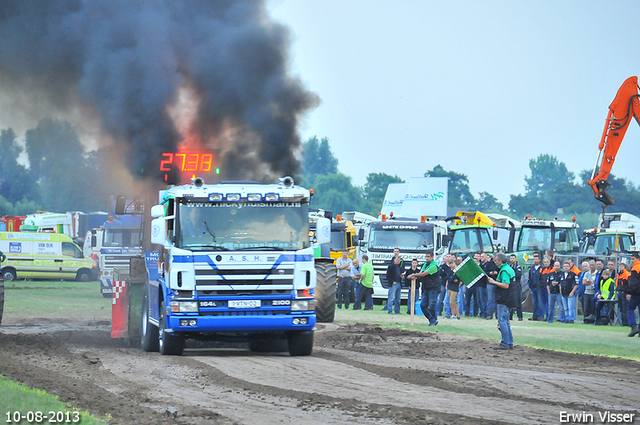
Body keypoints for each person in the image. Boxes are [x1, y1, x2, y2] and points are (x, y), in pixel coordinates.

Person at [487, 252, 516, 350]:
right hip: (510, 298)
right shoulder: (509, 268)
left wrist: (494, 282)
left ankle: (505, 343)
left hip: (504, 299)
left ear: (500, 261)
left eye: (495, 260)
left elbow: (506, 285)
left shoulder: (504, 271)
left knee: (502, 321)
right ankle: (509, 342)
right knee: (506, 321)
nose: (494, 262)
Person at [408, 250, 439, 326]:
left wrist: (413, 275)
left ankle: (433, 321)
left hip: (434, 287)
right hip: (426, 287)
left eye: (428, 257)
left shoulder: (434, 266)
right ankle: (432, 320)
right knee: (423, 305)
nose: (427, 258)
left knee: (432, 305)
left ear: (432, 257)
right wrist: (414, 275)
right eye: (426, 256)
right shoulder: (425, 264)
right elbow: (420, 273)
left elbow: (423, 274)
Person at [622, 253, 640, 337]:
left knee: (630, 308)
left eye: (633, 259)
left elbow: (634, 283)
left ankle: (633, 326)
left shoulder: (635, 268)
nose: (632, 260)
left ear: (637, 259)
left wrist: (628, 291)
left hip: (636, 293)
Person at [527, 252, 545, 321]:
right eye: (534, 259)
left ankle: (541, 316)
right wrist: (530, 284)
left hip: (539, 288)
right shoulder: (531, 268)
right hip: (533, 287)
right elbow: (529, 277)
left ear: (539, 260)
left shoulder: (542, 268)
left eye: (536, 259)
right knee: (534, 302)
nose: (535, 261)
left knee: (540, 302)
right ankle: (535, 315)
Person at [482, 253, 498, 320]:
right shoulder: (489, 263)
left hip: (498, 283)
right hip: (490, 283)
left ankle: (498, 315)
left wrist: (497, 273)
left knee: (497, 300)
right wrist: (490, 273)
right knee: (490, 299)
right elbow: (484, 272)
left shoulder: (500, 264)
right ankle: (489, 315)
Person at [508, 254, 523, 321]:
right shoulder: (508, 266)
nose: (512, 260)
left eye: (513, 258)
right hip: (510, 285)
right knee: (510, 301)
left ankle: (520, 316)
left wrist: (512, 272)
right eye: (511, 258)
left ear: (515, 259)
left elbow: (518, 275)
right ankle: (510, 316)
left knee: (518, 301)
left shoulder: (518, 266)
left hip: (516, 285)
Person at [616, 261, 630, 327]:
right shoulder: (619, 274)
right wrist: (617, 290)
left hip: (625, 293)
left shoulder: (627, 274)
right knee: (621, 308)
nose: (620, 267)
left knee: (624, 308)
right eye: (620, 266)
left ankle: (626, 323)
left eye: (622, 266)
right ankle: (623, 322)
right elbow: (617, 284)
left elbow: (628, 284)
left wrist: (627, 292)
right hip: (620, 293)